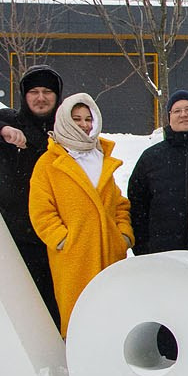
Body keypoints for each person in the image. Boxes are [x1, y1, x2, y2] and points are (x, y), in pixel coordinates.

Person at [0, 64, 66, 324]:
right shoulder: (10, 123)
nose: (41, 98)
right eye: (34, 92)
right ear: (24, 96)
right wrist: (0, 131)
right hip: (19, 239)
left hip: (60, 238)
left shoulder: (68, 129)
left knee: (60, 313)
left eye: (47, 92)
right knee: (23, 314)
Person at [27, 93, 132, 335]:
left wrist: (123, 236)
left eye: (88, 119)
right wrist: (63, 240)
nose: (84, 124)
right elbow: (41, 211)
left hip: (110, 254)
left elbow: (119, 204)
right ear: (65, 121)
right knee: (78, 319)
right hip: (74, 258)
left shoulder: (101, 158)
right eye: (77, 119)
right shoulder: (48, 163)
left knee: (112, 319)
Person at [126, 89, 188, 257]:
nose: (183, 114)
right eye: (177, 111)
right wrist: (144, 249)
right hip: (162, 254)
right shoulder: (151, 157)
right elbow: (137, 207)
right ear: (169, 117)